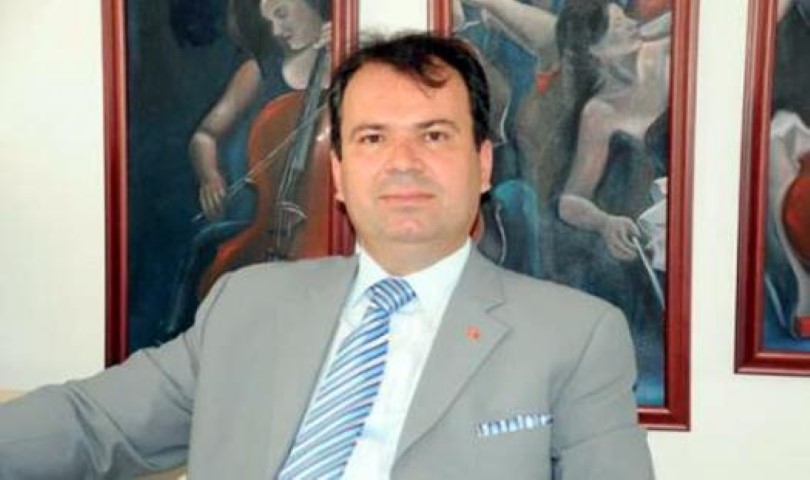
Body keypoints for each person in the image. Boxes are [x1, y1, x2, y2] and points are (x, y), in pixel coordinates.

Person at [0, 34, 654, 479]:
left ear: (482, 164)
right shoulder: (247, 303)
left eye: (434, 135)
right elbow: (92, 424)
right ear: (338, 173)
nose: (402, 162)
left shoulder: (576, 337)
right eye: (372, 138)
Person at [160, 0, 331, 341]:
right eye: (269, 22)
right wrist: (209, 175)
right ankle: (182, 344)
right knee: (206, 248)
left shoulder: (352, 64)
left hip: (327, 227)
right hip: (265, 222)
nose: (277, 31)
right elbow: (205, 135)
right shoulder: (260, 71)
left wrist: (346, 56)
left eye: (282, 14)